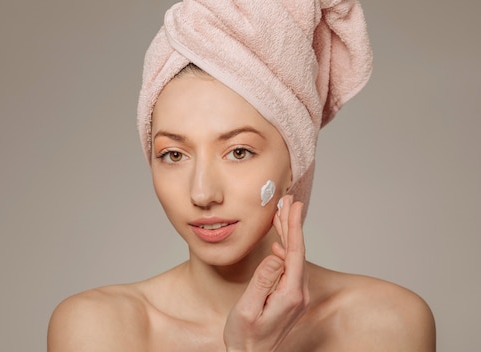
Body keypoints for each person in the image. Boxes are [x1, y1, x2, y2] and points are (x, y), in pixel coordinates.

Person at [48, 0, 436, 350]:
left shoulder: (387, 325)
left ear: (294, 161)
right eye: (173, 154)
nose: (202, 193)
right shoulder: (98, 329)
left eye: (238, 152)